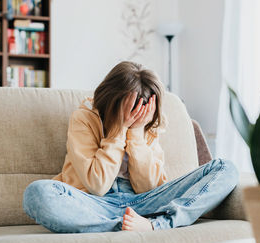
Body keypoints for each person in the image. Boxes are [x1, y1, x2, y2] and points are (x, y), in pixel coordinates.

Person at [23, 61, 238, 233]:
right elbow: (96, 185)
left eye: (142, 114)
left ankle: (156, 225)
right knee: (36, 193)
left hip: (145, 202)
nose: (137, 117)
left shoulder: (148, 123)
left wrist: (136, 133)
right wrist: (118, 130)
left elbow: (148, 188)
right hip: (95, 203)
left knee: (225, 168)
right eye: (131, 112)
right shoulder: (84, 118)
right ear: (111, 102)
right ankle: (128, 226)